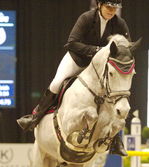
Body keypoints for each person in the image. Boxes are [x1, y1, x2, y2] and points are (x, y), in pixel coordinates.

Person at [17, 0, 131, 156]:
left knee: (114, 95)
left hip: (100, 69)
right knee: (57, 82)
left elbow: (126, 49)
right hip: (78, 60)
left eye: (114, 8)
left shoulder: (120, 24)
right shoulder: (86, 18)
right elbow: (72, 43)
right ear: (99, 5)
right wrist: (98, 50)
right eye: (108, 7)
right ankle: (35, 117)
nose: (112, 11)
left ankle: (115, 139)